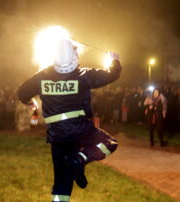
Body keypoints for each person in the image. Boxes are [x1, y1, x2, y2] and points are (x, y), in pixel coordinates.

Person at [18, 38, 122, 202]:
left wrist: (32, 105)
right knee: (110, 143)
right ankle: (80, 160)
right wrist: (114, 60)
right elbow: (112, 74)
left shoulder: (41, 77)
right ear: (74, 55)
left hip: (57, 135)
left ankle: (74, 169)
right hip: (81, 129)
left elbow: (22, 94)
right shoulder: (84, 75)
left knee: (61, 181)